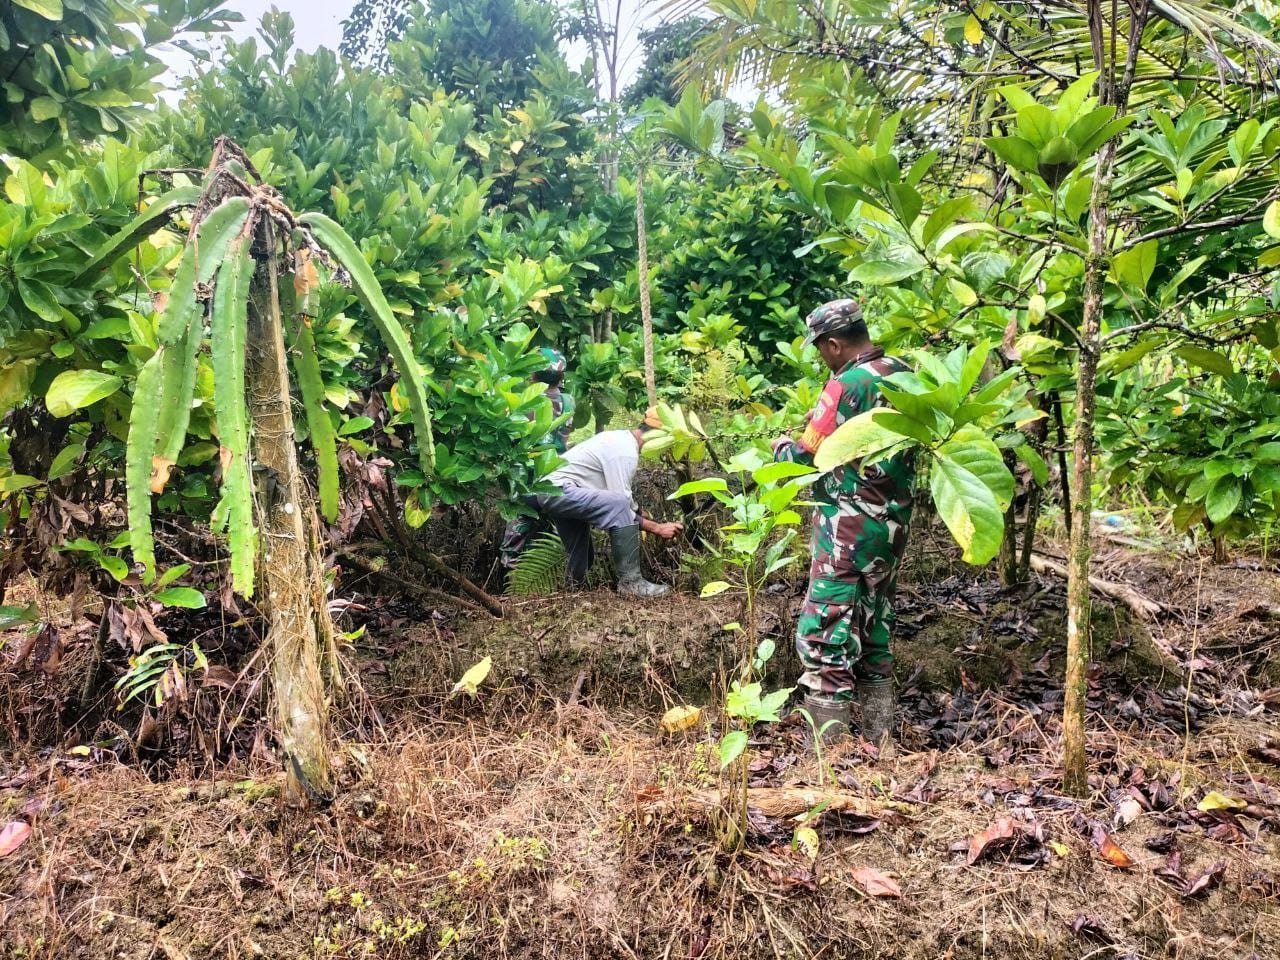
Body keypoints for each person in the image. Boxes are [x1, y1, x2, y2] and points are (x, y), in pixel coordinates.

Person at [771, 299, 916, 746]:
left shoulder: (845, 385)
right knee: (875, 624)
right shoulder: (904, 371)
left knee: (824, 630)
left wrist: (781, 448)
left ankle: (826, 757)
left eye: (821, 349)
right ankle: (880, 740)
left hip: (847, 529)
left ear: (834, 344)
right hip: (892, 526)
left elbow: (806, 453)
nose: (821, 357)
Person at [529, 407, 683, 596]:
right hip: (561, 490)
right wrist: (657, 528)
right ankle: (631, 583)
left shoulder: (619, 439)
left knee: (581, 552)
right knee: (619, 504)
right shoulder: (625, 452)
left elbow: (624, 504)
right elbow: (621, 505)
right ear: (656, 438)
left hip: (554, 490)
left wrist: (639, 513)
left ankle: (573, 593)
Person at [500, 347, 577, 572]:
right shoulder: (569, 400)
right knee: (551, 535)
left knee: (516, 538)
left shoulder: (524, 403)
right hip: (557, 475)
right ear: (561, 376)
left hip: (526, 479)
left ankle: (510, 587)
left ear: (532, 374)